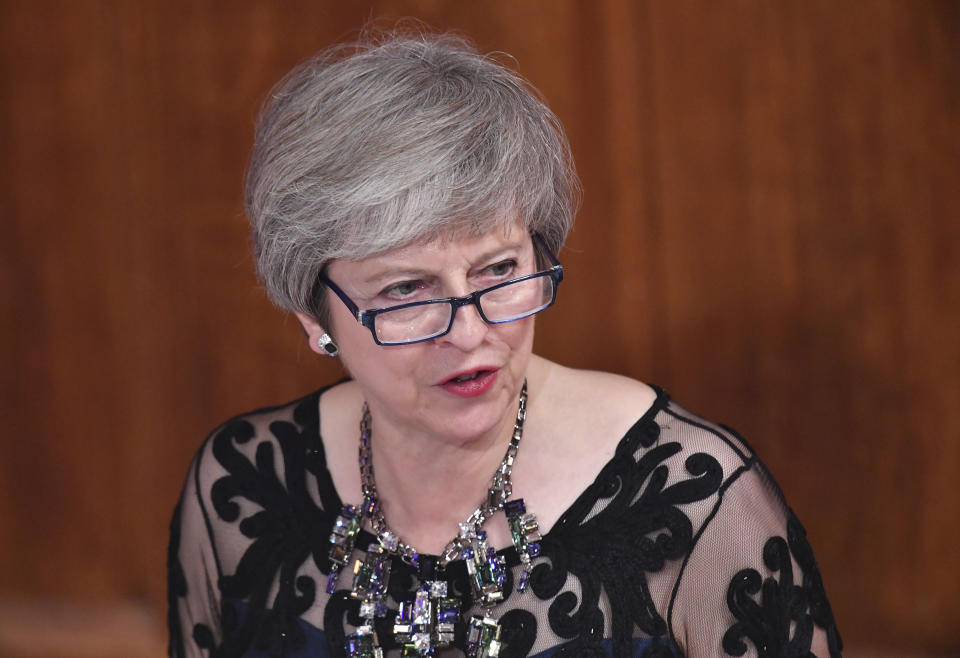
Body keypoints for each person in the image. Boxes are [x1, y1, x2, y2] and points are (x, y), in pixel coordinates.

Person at [167, 30, 842, 658]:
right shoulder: (243, 488)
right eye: (407, 290)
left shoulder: (694, 503)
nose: (470, 333)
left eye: (498, 271)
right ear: (311, 315)